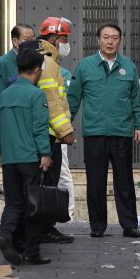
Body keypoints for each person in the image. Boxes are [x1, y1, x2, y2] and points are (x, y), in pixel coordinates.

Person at [68, 23, 140, 238]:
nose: (110, 41)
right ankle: (97, 226)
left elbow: (136, 99)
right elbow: (73, 98)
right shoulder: (85, 66)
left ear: (119, 41)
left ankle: (129, 225)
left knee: (124, 180)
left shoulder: (128, 66)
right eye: (106, 37)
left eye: (114, 38)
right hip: (94, 133)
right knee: (95, 181)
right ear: (98, 40)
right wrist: (65, 127)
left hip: (121, 132)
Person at [0, 48, 52, 265]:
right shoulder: (36, 95)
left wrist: (4, 151)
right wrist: (45, 153)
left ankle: (6, 236)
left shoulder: (3, 96)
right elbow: (40, 128)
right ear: (36, 70)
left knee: (13, 203)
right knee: (34, 206)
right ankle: (32, 252)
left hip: (9, 159)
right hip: (30, 158)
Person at [36, 17, 76, 243]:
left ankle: (41, 228)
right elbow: (53, 103)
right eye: (64, 38)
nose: (66, 43)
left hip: (44, 133)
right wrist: (65, 131)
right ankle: (45, 229)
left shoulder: (44, 60)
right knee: (48, 185)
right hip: (50, 135)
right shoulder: (49, 64)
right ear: (53, 38)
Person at [0, 24, 35, 122]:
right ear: (15, 41)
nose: (31, 44)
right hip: (11, 120)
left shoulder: (36, 61)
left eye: (32, 40)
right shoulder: (2, 63)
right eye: (27, 40)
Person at [59, 66, 76, 217]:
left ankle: (69, 212)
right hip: (40, 130)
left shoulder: (65, 74)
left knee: (62, 171)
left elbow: (67, 103)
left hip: (58, 130)